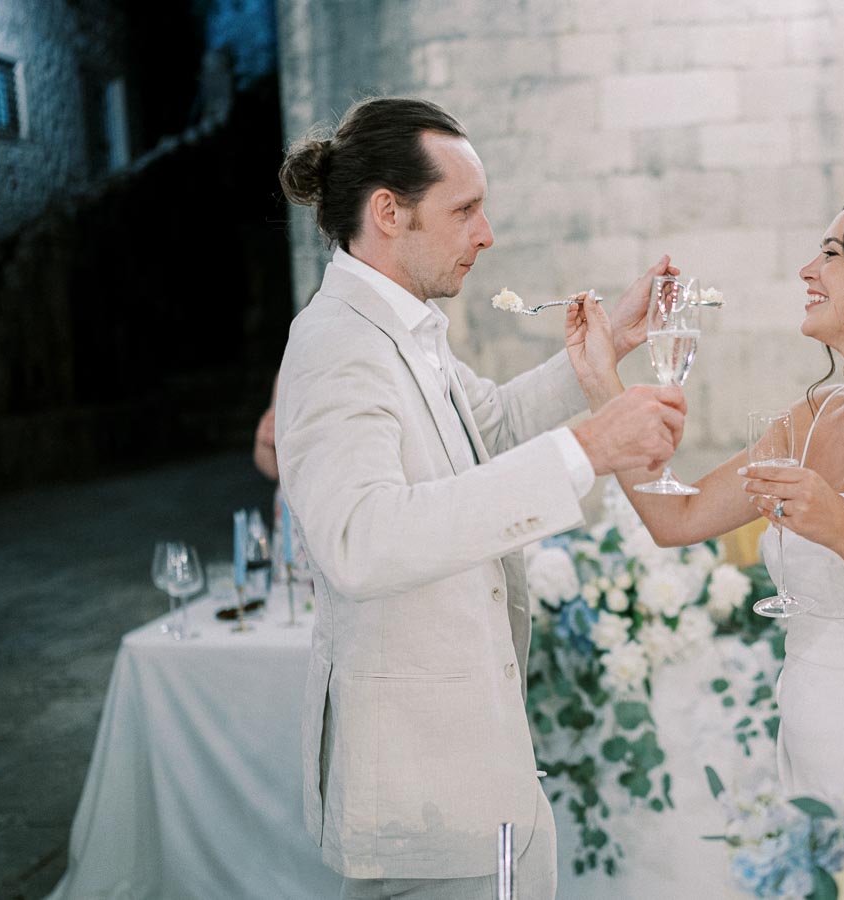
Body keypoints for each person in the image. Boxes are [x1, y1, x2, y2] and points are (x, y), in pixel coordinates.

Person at [274, 97, 687, 900]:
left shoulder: (403, 329)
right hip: (422, 791)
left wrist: (606, 350)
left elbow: (485, 427)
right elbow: (360, 537)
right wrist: (588, 450)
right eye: (464, 209)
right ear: (388, 212)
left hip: (477, 770)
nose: (487, 233)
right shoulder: (337, 346)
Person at [569, 191, 844, 898]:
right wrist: (600, 383)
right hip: (808, 764)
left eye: (834, 254)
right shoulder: (811, 418)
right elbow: (674, 519)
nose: (808, 269)